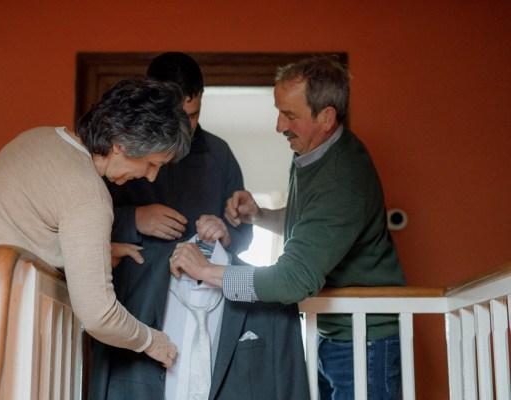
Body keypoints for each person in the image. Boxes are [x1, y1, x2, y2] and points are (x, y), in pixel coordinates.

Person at [0, 77, 191, 399]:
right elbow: (99, 315)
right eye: (152, 163)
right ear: (122, 145)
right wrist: (151, 340)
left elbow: (20, 222)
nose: (151, 175)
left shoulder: (36, 139)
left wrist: (96, 250)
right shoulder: (89, 195)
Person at [170, 56, 407, 399]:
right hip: (334, 333)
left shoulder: (342, 179)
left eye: (290, 115)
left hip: (365, 340)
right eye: (279, 111)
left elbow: (293, 279)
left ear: (327, 117)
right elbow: (312, 223)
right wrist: (260, 216)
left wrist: (207, 271)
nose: (279, 125)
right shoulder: (315, 152)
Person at [87, 52, 310, 399]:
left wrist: (226, 232)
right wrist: (135, 219)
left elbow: (241, 237)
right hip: (136, 295)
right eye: (178, 116)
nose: (186, 127)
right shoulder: (120, 149)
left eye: (193, 115)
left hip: (210, 301)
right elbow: (85, 226)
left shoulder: (220, 155)